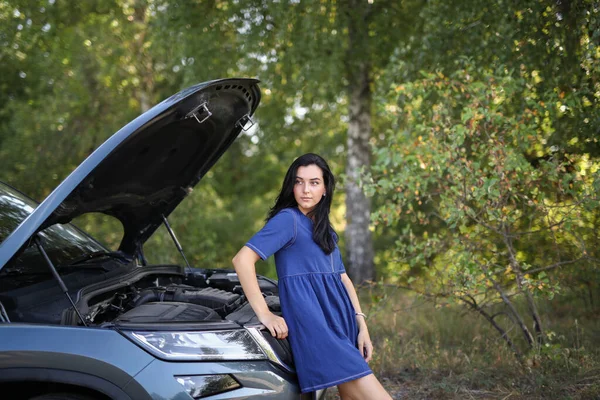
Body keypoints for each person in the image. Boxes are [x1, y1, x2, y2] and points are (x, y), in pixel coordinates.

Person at [232, 153, 392, 399]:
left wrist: (362, 325)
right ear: (291, 186)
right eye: (299, 182)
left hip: (342, 323)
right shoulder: (288, 220)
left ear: (325, 188)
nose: (306, 190)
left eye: (314, 182)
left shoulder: (324, 229)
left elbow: (342, 279)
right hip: (317, 327)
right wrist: (265, 314)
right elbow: (242, 260)